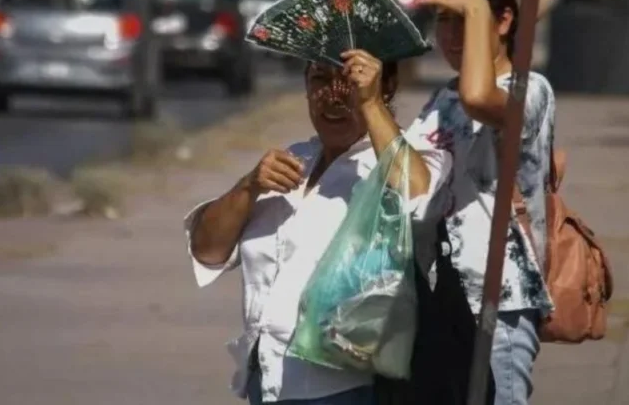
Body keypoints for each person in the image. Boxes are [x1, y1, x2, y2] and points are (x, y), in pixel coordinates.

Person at [183, 50, 445, 405]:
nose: (334, 95)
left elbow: (418, 197)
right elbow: (208, 250)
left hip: (346, 387)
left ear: (386, 86)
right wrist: (249, 187)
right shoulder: (293, 161)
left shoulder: (407, 160)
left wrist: (369, 104)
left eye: (350, 80)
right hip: (268, 382)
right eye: (320, 78)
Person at [408, 0, 556, 405]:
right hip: (437, 300)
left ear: (504, 21)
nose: (452, 36)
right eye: (445, 21)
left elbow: (480, 98)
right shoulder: (441, 99)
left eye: (466, 19)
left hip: (497, 301)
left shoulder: (530, 90)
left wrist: (474, 6)